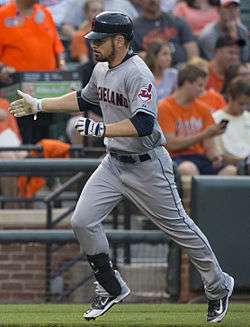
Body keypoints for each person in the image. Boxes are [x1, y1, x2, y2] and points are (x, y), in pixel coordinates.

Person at [9, 12, 234, 323]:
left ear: (119, 40)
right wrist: (39, 105)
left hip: (147, 165)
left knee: (180, 229)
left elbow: (143, 124)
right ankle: (110, 285)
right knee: (83, 221)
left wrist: (101, 131)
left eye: (99, 40)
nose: (92, 46)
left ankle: (218, 285)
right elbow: (84, 100)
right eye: (92, 40)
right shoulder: (102, 68)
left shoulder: (139, 73)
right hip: (114, 162)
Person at [0, 0, 65, 144]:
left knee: (44, 134)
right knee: (24, 134)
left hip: (46, 89)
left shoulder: (44, 13)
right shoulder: (3, 14)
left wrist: (62, 66)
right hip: (14, 90)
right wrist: (2, 69)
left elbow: (58, 48)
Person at [158, 63, 236, 176]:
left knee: (230, 171)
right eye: (200, 85)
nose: (202, 90)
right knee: (188, 168)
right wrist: (203, 135)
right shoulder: (165, 107)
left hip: (200, 157)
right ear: (187, 83)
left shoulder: (203, 108)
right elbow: (171, 144)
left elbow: (209, 144)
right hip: (176, 158)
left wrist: (215, 156)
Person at [131, 0, 199, 65]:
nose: (153, 0)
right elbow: (133, 58)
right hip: (151, 72)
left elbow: (193, 53)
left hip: (181, 69)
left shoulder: (176, 20)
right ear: (139, 1)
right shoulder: (134, 28)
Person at [213, 77, 250, 166]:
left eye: (248, 104)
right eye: (241, 103)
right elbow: (219, 155)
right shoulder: (216, 119)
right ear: (230, 97)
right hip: (230, 167)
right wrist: (242, 162)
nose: (244, 108)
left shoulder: (248, 117)